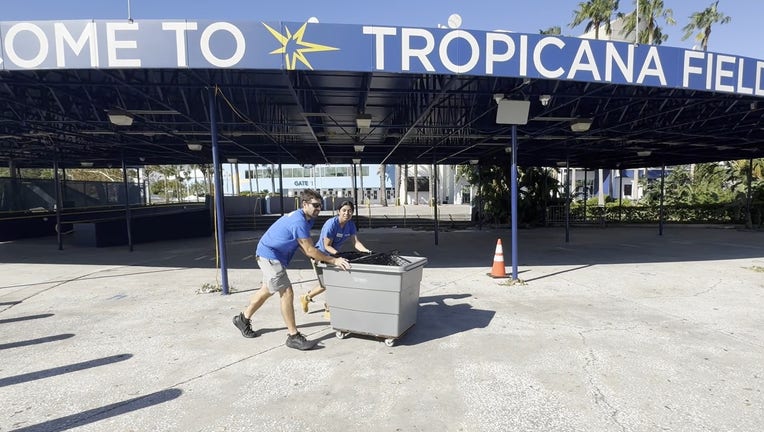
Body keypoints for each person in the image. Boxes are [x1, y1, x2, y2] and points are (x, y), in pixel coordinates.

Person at [232, 189, 351, 350]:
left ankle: (243, 319)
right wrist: (333, 260)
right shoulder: (299, 221)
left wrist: (314, 257)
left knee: (267, 290)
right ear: (304, 204)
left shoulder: (306, 219)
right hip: (269, 255)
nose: (318, 209)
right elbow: (309, 249)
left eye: (320, 206)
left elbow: (302, 245)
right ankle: (293, 336)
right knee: (287, 292)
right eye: (315, 205)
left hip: (271, 254)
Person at [300, 200, 372, 319]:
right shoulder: (331, 224)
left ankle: (306, 298)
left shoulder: (350, 225)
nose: (347, 213)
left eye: (350, 211)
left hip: (334, 256)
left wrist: (367, 251)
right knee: (328, 284)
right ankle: (328, 308)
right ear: (339, 211)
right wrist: (338, 255)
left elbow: (356, 242)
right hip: (320, 255)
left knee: (328, 284)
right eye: (344, 210)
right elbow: (327, 245)